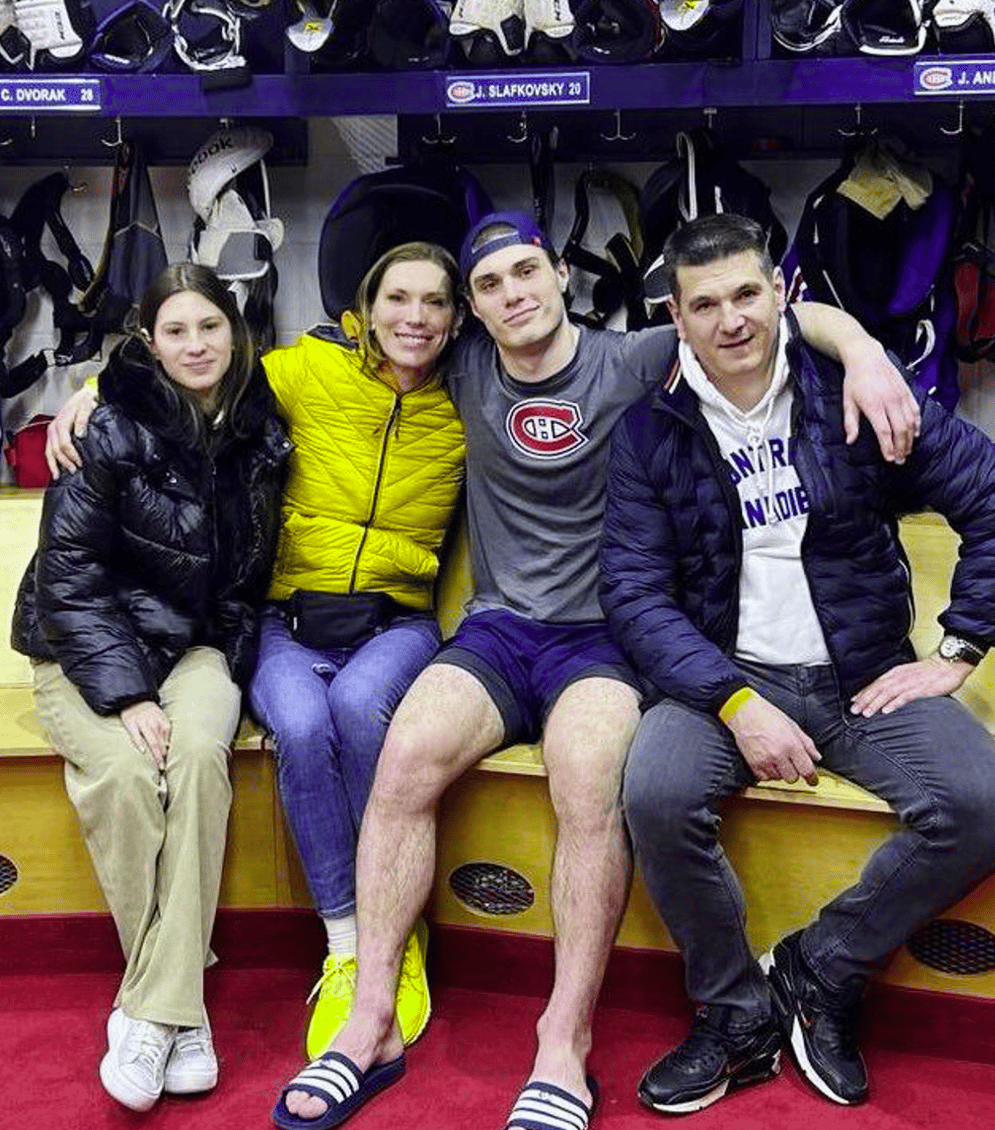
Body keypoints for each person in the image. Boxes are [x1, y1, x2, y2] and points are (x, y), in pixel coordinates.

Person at [272, 210, 923, 1130]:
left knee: (587, 786)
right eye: (489, 285)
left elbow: (769, 315)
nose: (513, 294)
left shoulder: (628, 358)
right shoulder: (461, 364)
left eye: (526, 271)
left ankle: (562, 1043)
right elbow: (324, 353)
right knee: (404, 758)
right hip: (499, 632)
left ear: (557, 276)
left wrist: (861, 346)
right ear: (473, 312)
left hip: (604, 640)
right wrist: (110, 387)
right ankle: (371, 1017)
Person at [599, 213, 995, 1116]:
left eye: (748, 293)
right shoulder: (650, 431)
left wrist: (958, 649)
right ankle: (734, 1011)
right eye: (704, 303)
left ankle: (820, 970)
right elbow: (635, 594)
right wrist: (735, 700)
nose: (731, 320)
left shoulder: (855, 393)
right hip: (722, 674)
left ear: (784, 296)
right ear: (677, 316)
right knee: (656, 793)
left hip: (860, 673)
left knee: (986, 806)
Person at [43, 242, 468, 1063]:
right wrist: (86, 392)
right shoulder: (304, 372)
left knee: (356, 709)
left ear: (455, 321)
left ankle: (397, 937)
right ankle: (345, 943)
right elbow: (190, 363)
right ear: (364, 311)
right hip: (288, 618)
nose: (414, 319)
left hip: (397, 617)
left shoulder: (469, 392)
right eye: (397, 300)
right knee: (303, 725)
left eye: (434, 303)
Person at [12, 262, 291, 1112]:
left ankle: (151, 1010)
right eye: (176, 330)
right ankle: (181, 1009)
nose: (196, 345)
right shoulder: (107, 426)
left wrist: (228, 653)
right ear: (148, 341)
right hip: (81, 649)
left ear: (236, 334)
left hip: (198, 649)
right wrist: (130, 696)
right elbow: (69, 579)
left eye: (211, 326)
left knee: (202, 756)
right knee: (131, 774)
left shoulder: (261, 424)